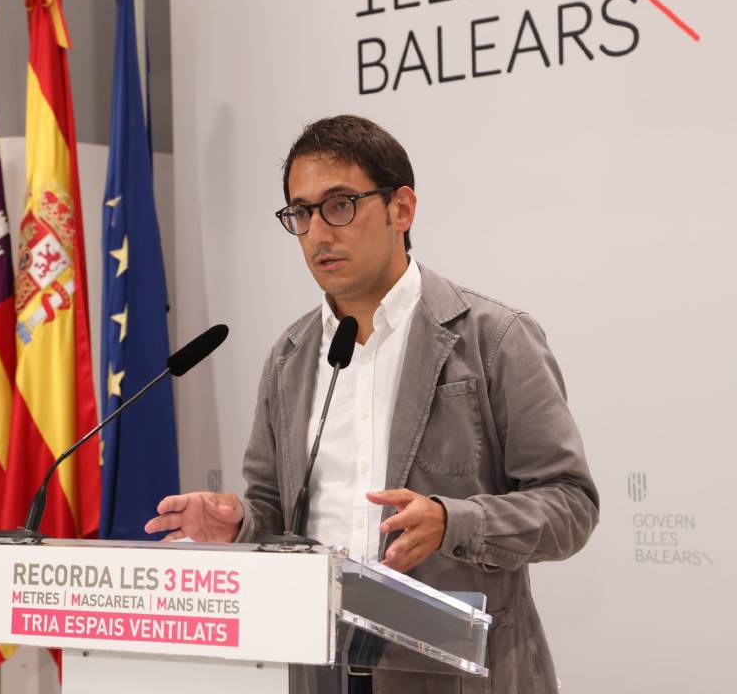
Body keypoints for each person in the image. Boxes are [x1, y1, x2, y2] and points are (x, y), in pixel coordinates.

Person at [145, 114, 599, 693]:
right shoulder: (289, 357)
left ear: (401, 209)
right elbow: (274, 514)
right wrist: (239, 527)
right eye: (301, 213)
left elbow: (570, 505)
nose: (317, 233)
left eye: (340, 205)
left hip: (457, 676)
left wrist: (452, 520)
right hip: (320, 669)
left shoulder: (494, 337)